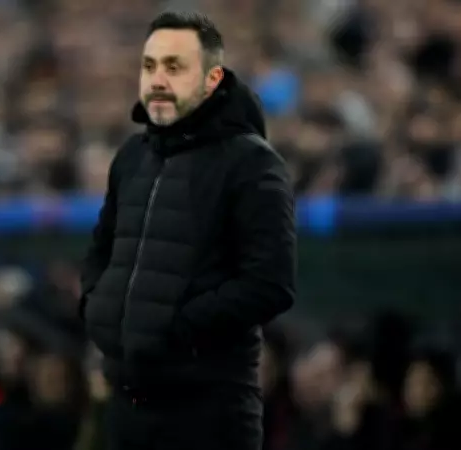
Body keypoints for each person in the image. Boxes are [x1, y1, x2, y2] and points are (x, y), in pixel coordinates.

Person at [79, 10, 297, 450]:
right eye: (149, 66)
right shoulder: (132, 157)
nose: (158, 79)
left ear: (212, 79)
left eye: (174, 67)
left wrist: (175, 328)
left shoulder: (252, 163)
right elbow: (101, 250)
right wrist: (99, 312)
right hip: (125, 405)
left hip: (208, 411)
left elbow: (270, 284)